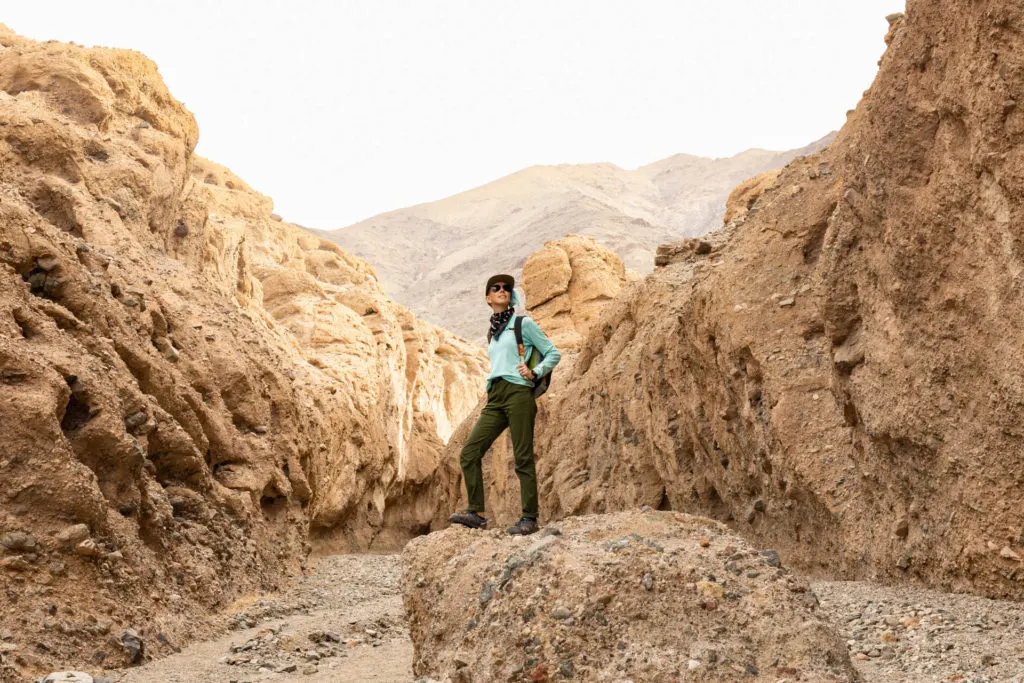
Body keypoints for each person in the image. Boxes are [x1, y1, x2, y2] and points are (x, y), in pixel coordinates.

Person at [449, 273, 561, 535]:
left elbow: (553, 352)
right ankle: (476, 513)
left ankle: (529, 518)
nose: (502, 290)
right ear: (488, 298)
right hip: (495, 395)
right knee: (469, 452)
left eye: (506, 288)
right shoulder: (493, 332)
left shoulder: (523, 324)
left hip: (519, 393)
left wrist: (535, 371)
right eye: (495, 288)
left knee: (522, 457)